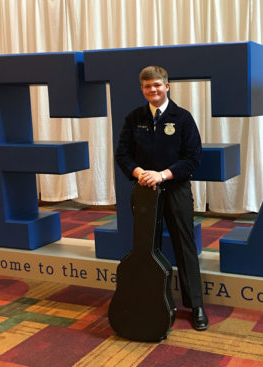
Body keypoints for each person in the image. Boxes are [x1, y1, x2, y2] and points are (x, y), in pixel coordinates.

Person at [115, 65, 208, 331]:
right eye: (147, 86)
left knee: (184, 246)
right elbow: (122, 154)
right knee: (146, 248)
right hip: (145, 191)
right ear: (142, 89)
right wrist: (139, 172)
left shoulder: (183, 118)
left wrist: (163, 175)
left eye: (157, 85)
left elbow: (193, 158)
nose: (152, 90)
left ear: (167, 86)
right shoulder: (135, 118)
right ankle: (148, 300)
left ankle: (196, 305)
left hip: (175, 189)